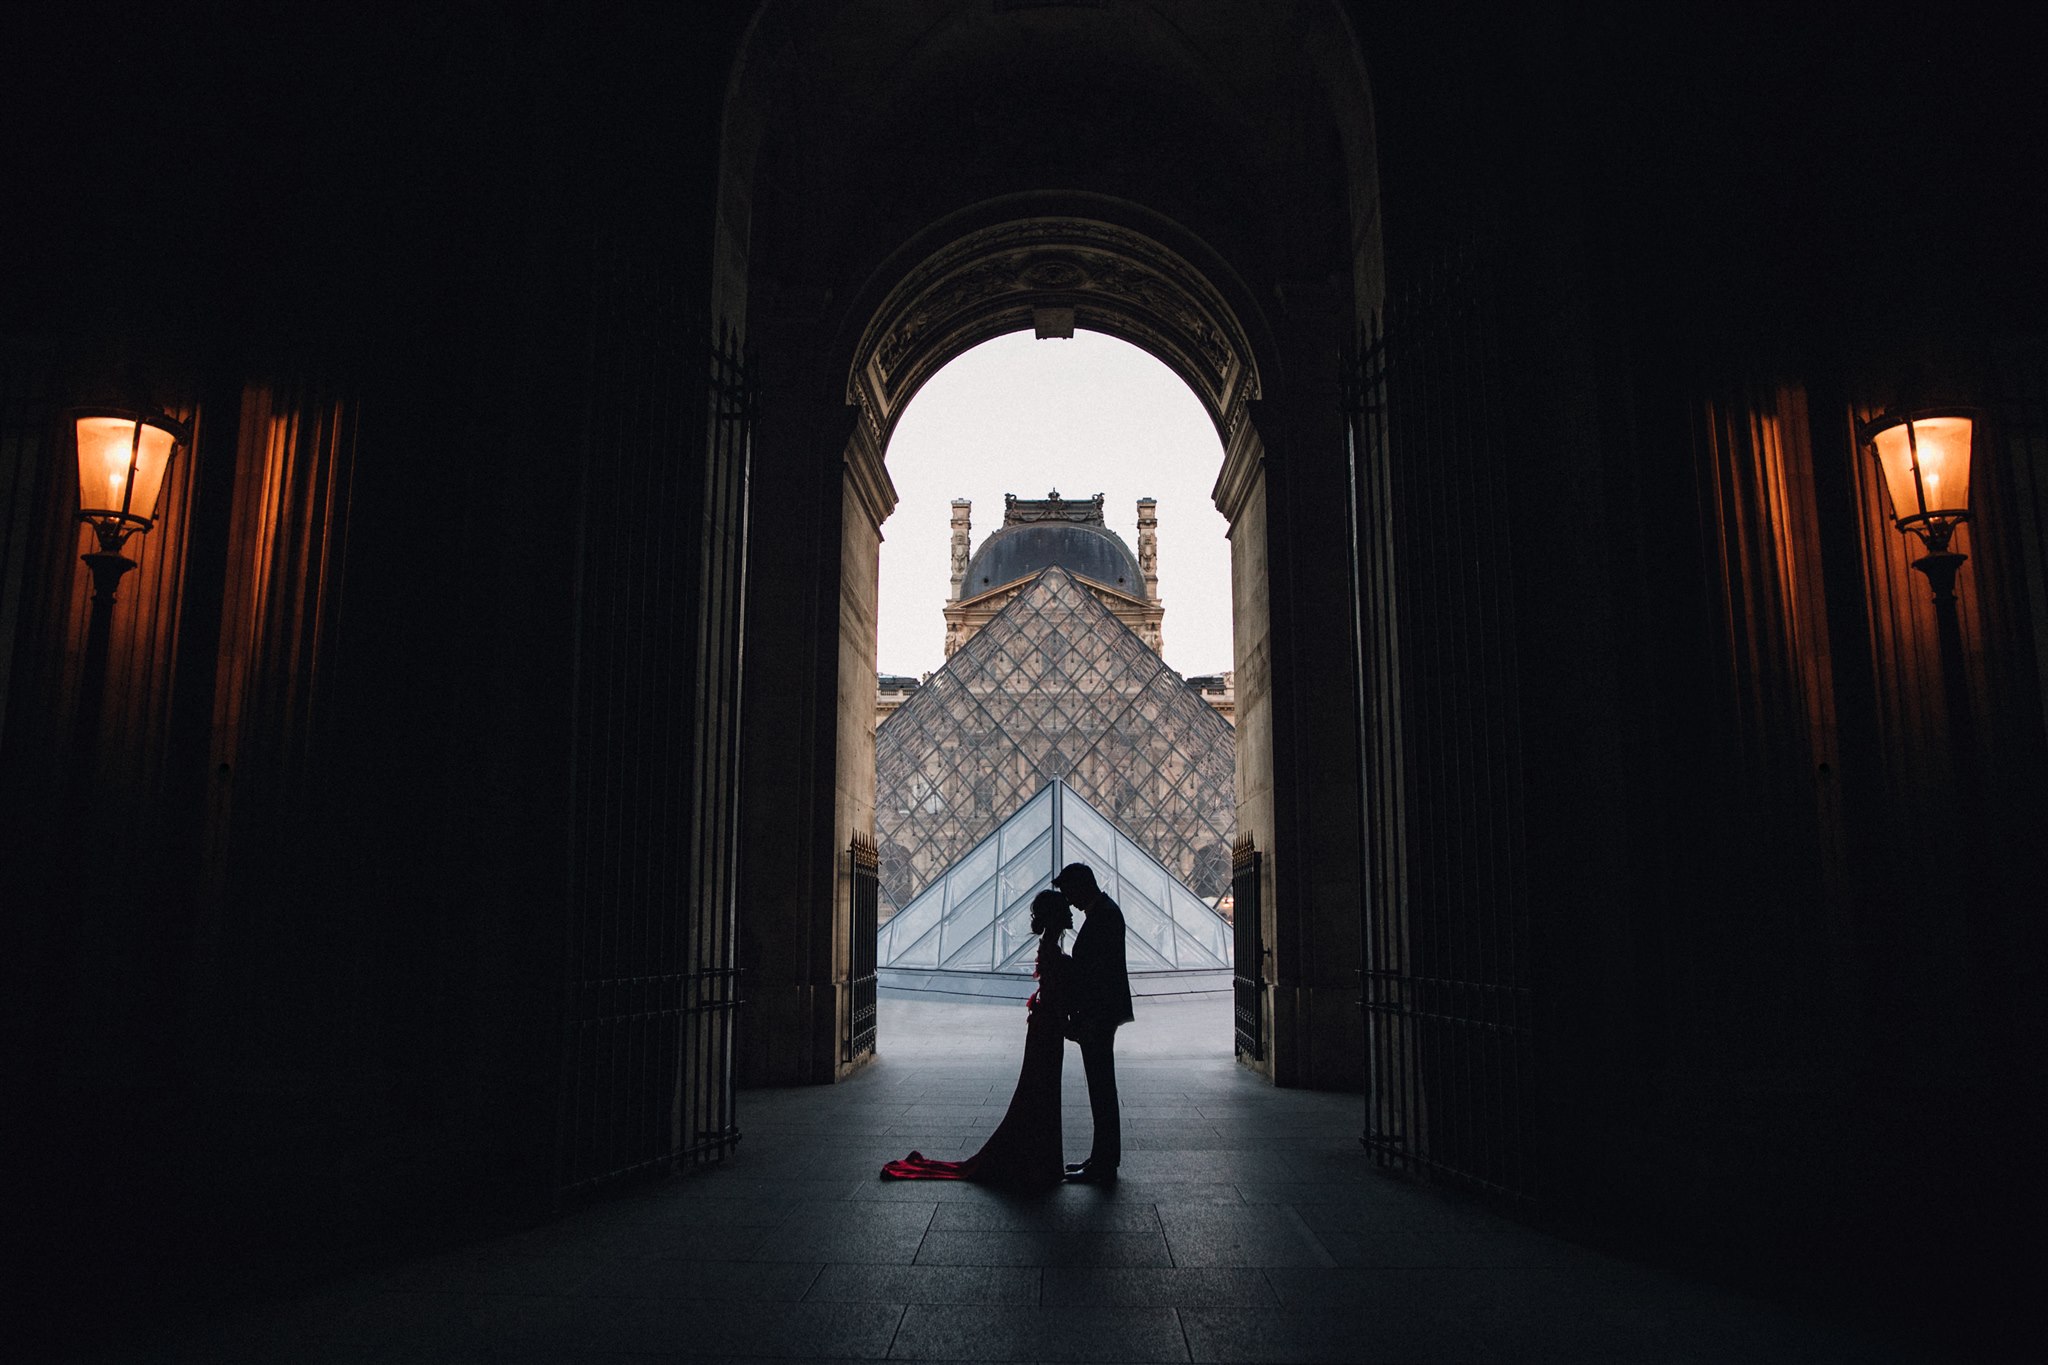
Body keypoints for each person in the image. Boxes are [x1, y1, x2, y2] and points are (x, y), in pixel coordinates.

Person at [881, 890, 1073, 1184]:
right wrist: (1068, 1023)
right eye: (1066, 908)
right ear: (1056, 914)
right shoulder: (1051, 947)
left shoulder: (1048, 944)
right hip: (1048, 1029)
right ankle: (1038, 1162)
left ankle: (1039, 1161)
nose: (1072, 911)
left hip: (1044, 1028)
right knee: (1042, 1092)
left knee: (1037, 1093)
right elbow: (1054, 994)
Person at [1054, 862, 1132, 1184]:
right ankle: (1101, 1157)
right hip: (1099, 1014)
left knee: (1101, 1089)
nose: (1069, 901)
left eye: (1070, 892)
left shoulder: (1105, 916)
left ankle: (1103, 1163)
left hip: (1098, 1016)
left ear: (1083, 885)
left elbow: (1097, 975)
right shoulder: (1104, 912)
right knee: (1100, 1088)